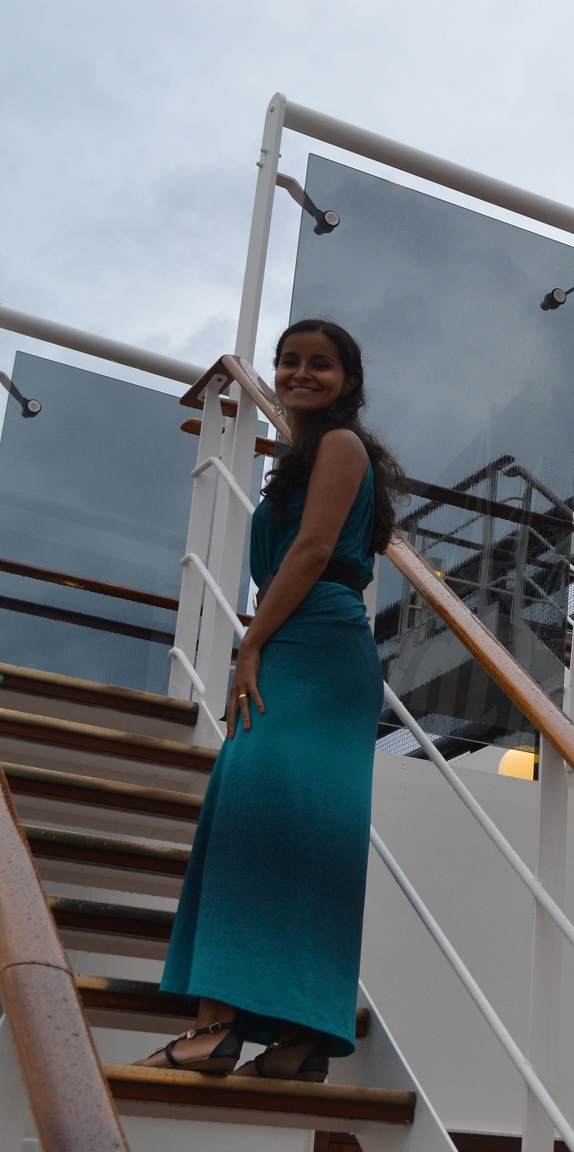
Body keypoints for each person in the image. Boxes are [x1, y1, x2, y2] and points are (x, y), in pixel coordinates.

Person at [139, 319, 403, 1081]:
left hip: (310, 645)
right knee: (300, 830)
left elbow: (315, 549)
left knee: (255, 818)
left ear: (349, 382)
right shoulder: (307, 456)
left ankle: (217, 1026)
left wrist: (250, 645)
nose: (299, 373)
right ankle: (300, 1038)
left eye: (320, 364)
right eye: (289, 361)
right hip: (308, 640)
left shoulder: (340, 445)